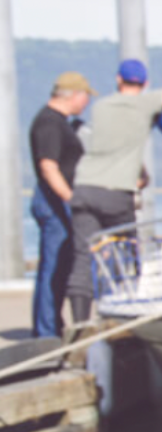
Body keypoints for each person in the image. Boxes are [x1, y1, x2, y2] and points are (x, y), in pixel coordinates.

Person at [66, 59, 162, 323]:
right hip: (116, 192)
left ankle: (79, 325)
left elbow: (119, 144)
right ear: (145, 83)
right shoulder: (145, 104)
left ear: (118, 79)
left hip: (85, 186)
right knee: (125, 252)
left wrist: (142, 172)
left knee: (83, 256)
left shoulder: (101, 107)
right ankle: (123, 314)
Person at [28, 71, 95, 337]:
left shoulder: (61, 123)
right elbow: (48, 167)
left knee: (62, 264)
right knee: (53, 266)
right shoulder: (49, 123)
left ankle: (51, 324)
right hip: (53, 202)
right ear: (75, 96)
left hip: (58, 200)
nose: (87, 103)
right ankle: (46, 331)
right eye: (86, 97)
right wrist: (71, 199)